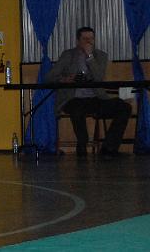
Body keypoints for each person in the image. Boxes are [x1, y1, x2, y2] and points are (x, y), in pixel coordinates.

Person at [46, 26, 132, 158]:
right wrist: (65, 79)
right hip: (72, 98)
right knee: (77, 109)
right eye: (85, 39)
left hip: (96, 97)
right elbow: (50, 77)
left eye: (91, 39)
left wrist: (90, 57)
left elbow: (98, 78)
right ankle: (82, 143)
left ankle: (109, 148)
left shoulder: (101, 56)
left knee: (124, 107)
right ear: (78, 41)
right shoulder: (68, 55)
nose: (88, 42)